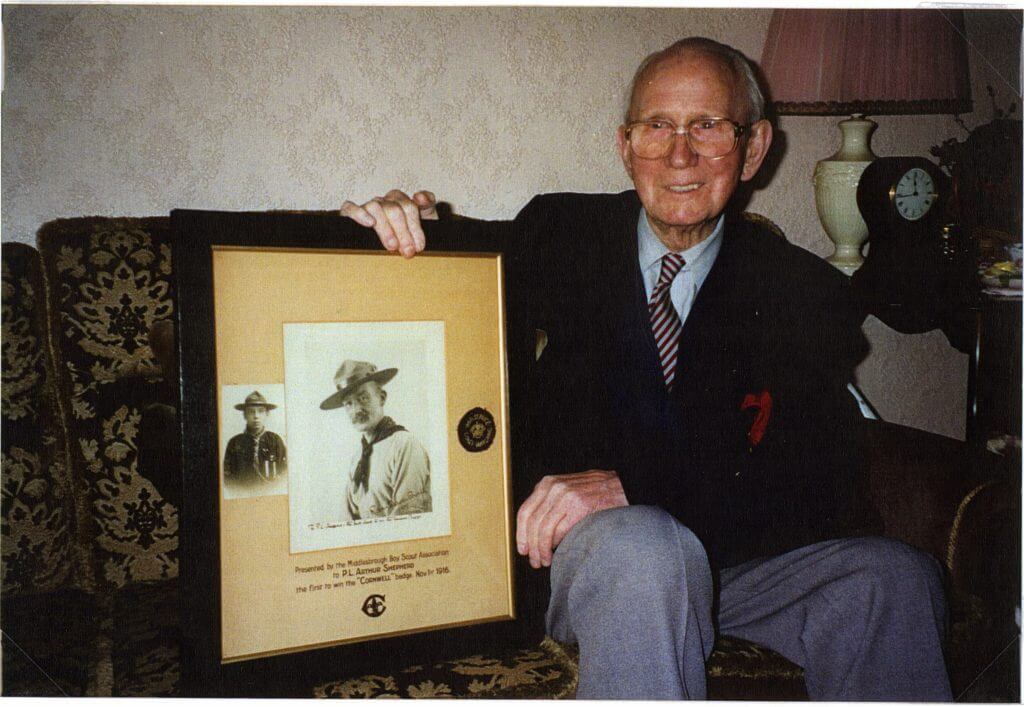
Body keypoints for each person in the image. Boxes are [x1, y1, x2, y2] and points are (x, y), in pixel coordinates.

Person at [341, 37, 951, 700]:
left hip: (735, 568)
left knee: (893, 575)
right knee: (644, 547)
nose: (679, 154)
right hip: (584, 567)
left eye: (708, 127)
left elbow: (823, 484)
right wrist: (389, 230)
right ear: (626, 144)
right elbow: (440, 302)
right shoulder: (555, 233)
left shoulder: (801, 292)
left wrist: (640, 483)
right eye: (656, 126)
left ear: (753, 149)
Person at [320, 359, 432, 519]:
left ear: (382, 397)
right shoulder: (358, 457)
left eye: (363, 398)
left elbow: (408, 518)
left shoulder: (404, 445)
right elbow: (348, 518)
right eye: (348, 404)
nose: (356, 409)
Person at [223, 390, 288, 488]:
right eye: (251, 412)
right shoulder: (235, 442)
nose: (256, 416)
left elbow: (284, 473)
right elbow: (228, 479)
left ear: (267, 414)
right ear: (244, 415)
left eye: (260, 411)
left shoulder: (275, 441)